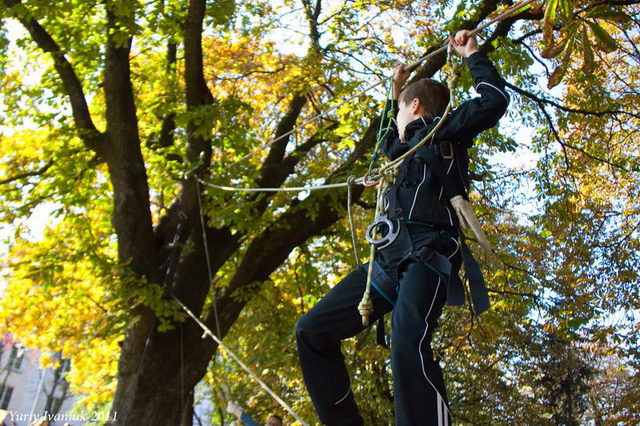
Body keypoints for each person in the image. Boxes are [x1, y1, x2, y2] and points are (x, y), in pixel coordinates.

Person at [295, 30, 509, 425]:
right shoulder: (396, 151)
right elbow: (385, 141)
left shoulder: (446, 130)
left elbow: (493, 100)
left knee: (406, 340)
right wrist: (394, 95)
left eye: (400, 109)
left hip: (428, 252)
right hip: (387, 260)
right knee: (311, 330)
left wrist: (472, 54)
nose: (395, 118)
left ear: (416, 105)